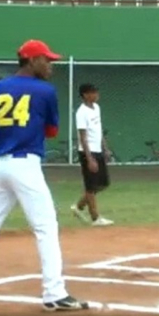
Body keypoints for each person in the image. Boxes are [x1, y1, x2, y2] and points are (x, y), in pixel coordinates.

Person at [0, 39, 89, 312]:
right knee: (46, 227)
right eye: (46, 60)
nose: (50, 65)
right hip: (25, 166)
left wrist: (0, 126)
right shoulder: (45, 91)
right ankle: (54, 293)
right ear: (31, 60)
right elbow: (51, 132)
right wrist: (25, 125)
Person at [70, 83, 114, 227]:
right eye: (93, 92)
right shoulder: (81, 112)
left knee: (103, 184)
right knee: (91, 185)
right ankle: (95, 218)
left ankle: (78, 206)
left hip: (98, 150)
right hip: (87, 152)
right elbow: (82, 137)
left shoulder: (96, 108)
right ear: (85, 95)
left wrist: (105, 148)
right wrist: (89, 159)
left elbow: (98, 130)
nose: (96, 95)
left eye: (96, 92)